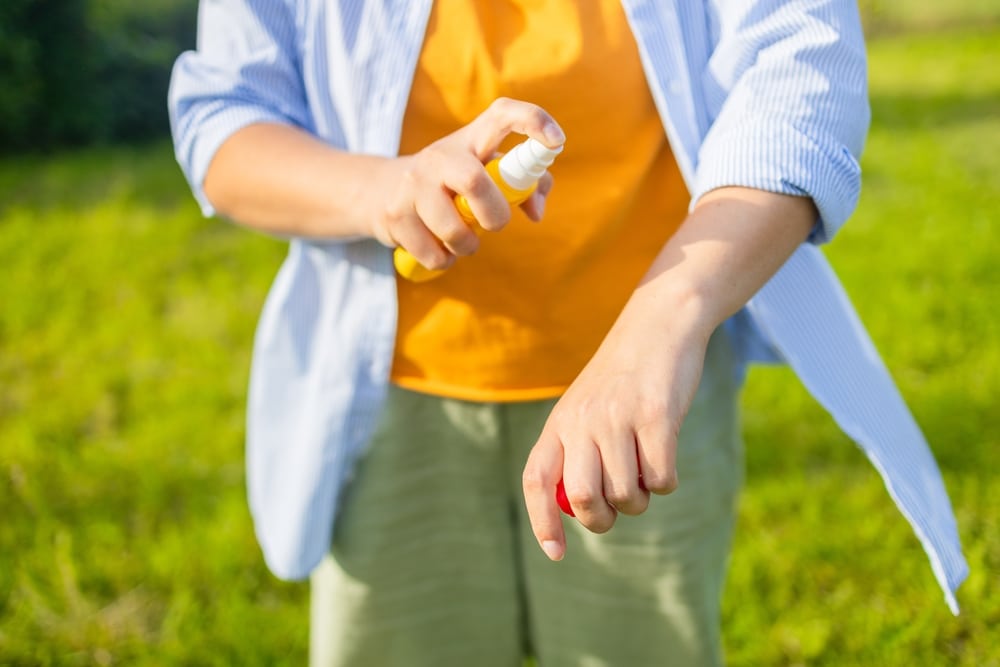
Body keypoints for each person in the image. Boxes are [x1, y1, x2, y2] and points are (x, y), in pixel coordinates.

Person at [169, 1, 967, 665]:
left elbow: (802, 78)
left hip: (644, 408)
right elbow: (225, 115)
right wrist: (383, 189)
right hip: (390, 400)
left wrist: (660, 325)